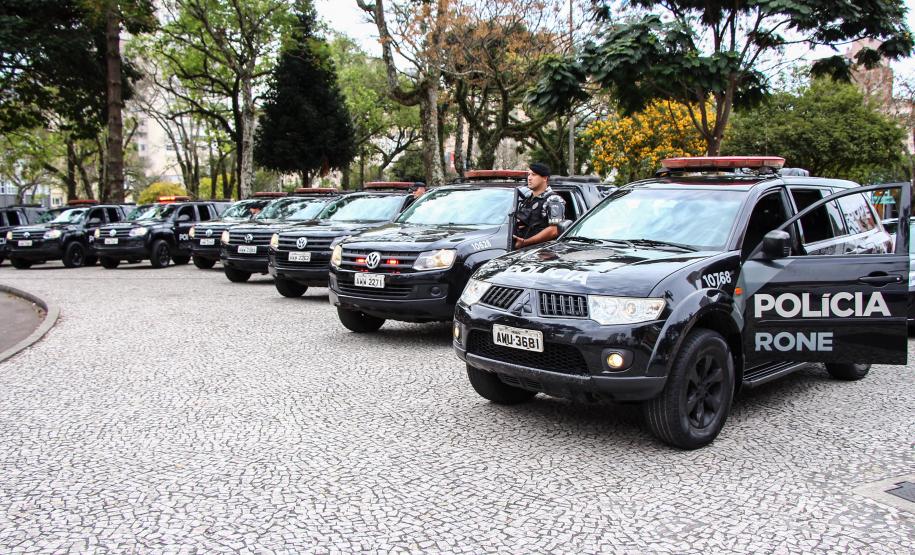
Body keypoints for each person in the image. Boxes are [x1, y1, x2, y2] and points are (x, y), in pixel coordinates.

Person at [514, 163, 566, 249]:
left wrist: (525, 242)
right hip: (525, 251)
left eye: (533, 175)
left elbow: (554, 230)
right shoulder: (528, 199)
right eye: (529, 174)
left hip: (544, 253)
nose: (529, 178)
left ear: (545, 178)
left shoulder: (553, 199)